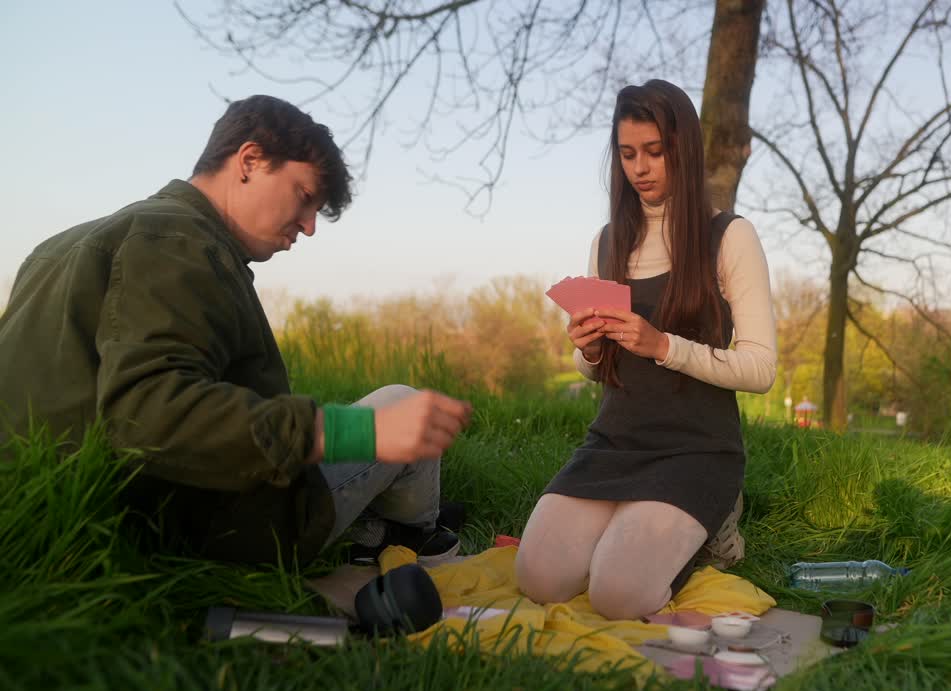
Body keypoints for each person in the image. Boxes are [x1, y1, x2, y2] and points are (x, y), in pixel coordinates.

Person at [0, 95, 470, 566]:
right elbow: (144, 412)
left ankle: (376, 523)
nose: (308, 228)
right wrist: (346, 431)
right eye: (304, 197)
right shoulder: (185, 243)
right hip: (186, 528)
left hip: (50, 519)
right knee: (402, 404)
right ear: (249, 161)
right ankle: (408, 539)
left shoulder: (59, 246)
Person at [514, 80, 777, 620]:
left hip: (694, 448)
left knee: (619, 595)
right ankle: (634, 527)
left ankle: (715, 524)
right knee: (538, 578)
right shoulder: (608, 241)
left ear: (685, 149)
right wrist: (586, 351)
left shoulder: (728, 236)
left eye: (656, 152)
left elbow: (761, 368)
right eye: (629, 154)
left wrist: (664, 346)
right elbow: (594, 370)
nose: (641, 167)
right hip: (615, 442)